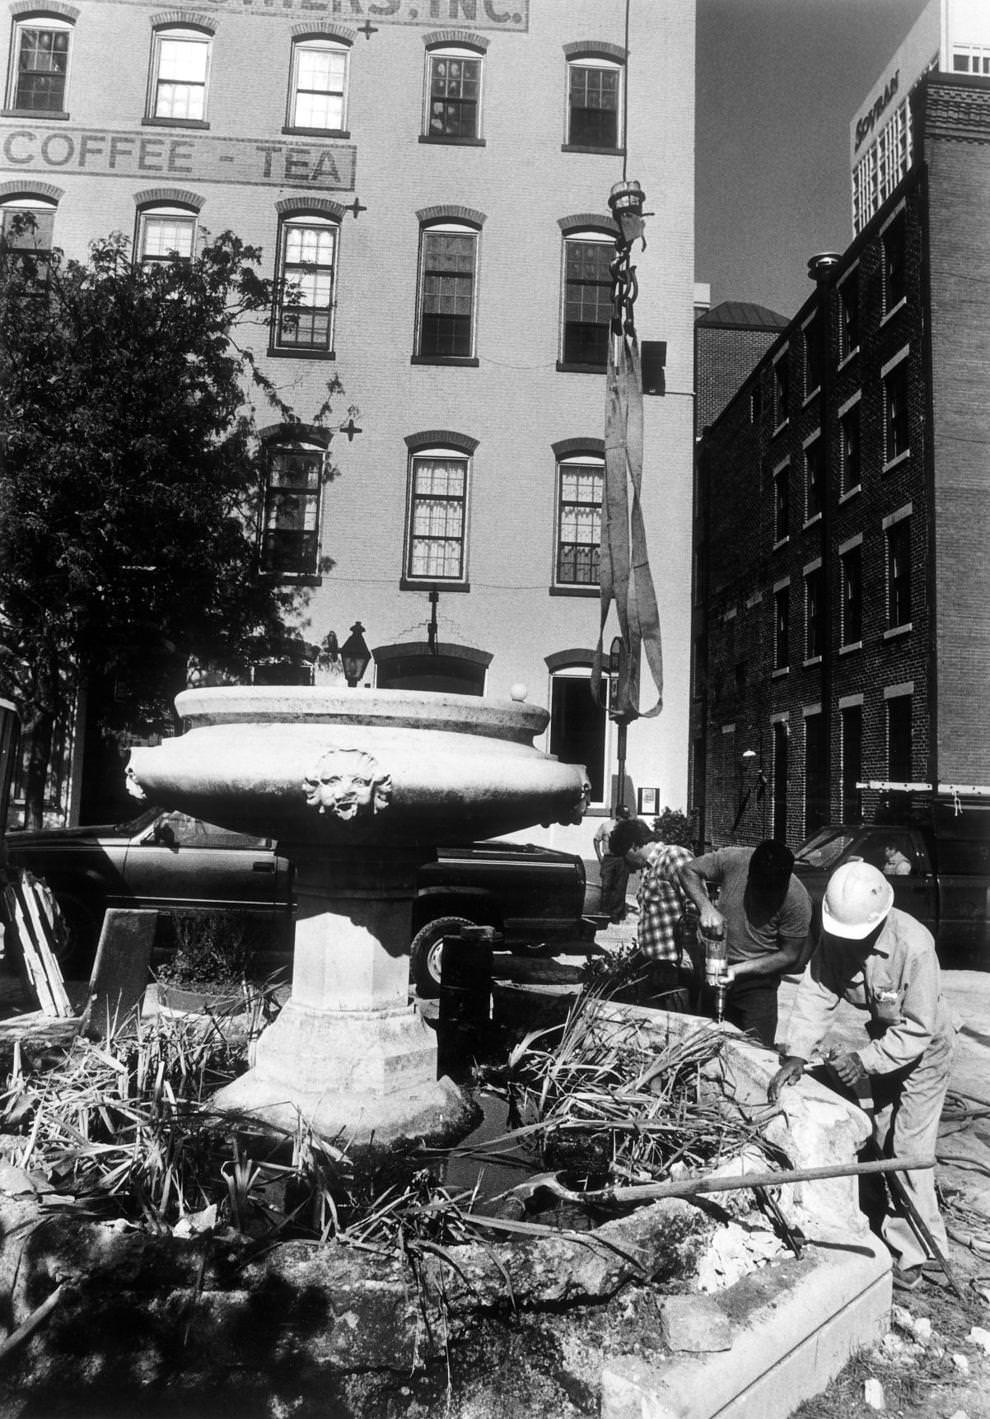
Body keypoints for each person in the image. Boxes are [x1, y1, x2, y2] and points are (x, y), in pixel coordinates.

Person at [769, 860, 956, 1292]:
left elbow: (918, 1029)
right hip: (884, 1041)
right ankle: (905, 1231)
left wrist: (864, 1062)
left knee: (908, 1147)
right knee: (881, 1134)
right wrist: (797, 1053)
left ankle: (919, 1253)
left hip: (925, 1048)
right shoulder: (838, 935)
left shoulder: (914, 946)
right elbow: (819, 987)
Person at [678, 840, 812, 1046]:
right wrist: (706, 907)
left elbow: (790, 955)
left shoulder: (798, 900)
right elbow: (688, 870)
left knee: (756, 1050)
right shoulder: (735, 859)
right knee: (703, 1044)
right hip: (716, 969)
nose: (765, 896)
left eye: (772, 892)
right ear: (750, 873)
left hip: (759, 985)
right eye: (760, 889)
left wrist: (739, 970)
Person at [623, 837, 698, 1009]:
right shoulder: (648, 869)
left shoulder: (674, 857)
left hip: (675, 972)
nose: (625, 863)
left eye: (623, 855)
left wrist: (682, 962)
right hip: (653, 968)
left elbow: (695, 909)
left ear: (633, 845)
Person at [594, 805, 632, 924]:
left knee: (620, 887)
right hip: (609, 859)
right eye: (623, 817)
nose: (625, 819)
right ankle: (604, 912)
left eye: (627, 817)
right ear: (617, 816)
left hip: (622, 859)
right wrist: (600, 857)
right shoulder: (606, 825)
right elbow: (596, 840)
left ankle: (616, 914)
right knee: (606, 886)